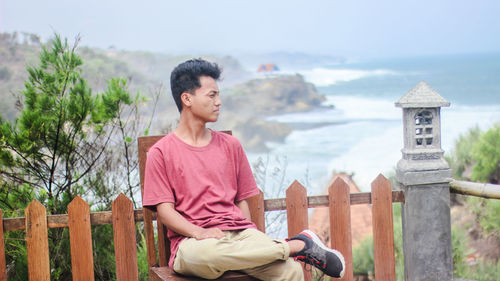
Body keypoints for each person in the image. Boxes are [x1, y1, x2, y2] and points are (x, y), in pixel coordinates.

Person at [142, 58, 345, 281]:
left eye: (218, 95)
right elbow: (165, 211)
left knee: (291, 271)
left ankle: (284, 249)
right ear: (187, 98)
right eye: (212, 95)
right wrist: (200, 233)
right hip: (195, 244)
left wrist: (247, 235)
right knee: (208, 255)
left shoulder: (231, 146)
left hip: (241, 237)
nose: (218, 102)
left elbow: (242, 202)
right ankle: (296, 245)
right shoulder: (161, 152)